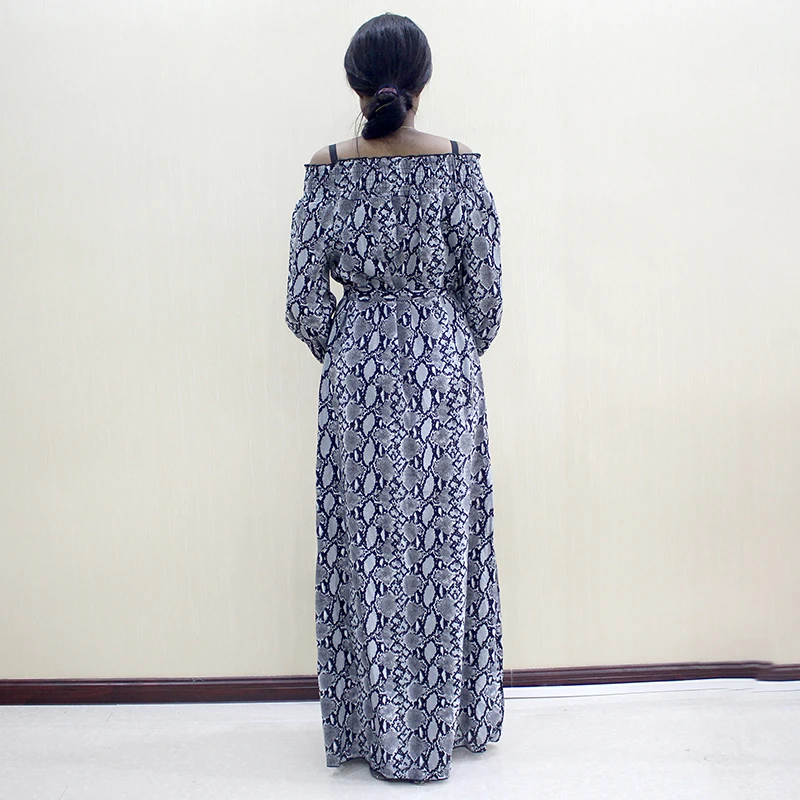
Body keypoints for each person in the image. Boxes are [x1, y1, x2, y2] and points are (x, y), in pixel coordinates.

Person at [285, 12, 504, 784]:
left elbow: (303, 304)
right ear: (422, 82)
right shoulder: (460, 166)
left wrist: (355, 346)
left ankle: (371, 731)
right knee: (445, 550)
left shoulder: (326, 171)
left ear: (356, 84)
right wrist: (443, 347)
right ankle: (449, 725)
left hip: (358, 382)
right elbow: (487, 300)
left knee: (367, 549)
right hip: (445, 376)